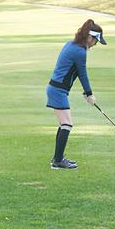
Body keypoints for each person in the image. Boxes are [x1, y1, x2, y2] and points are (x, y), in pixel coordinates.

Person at [45, 19, 106, 169]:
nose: (95, 45)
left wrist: (87, 93)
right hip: (58, 90)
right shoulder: (80, 51)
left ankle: (57, 159)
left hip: (56, 89)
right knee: (67, 123)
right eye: (95, 41)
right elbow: (82, 73)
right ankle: (58, 161)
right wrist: (90, 94)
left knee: (64, 124)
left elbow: (77, 72)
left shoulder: (70, 44)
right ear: (89, 37)